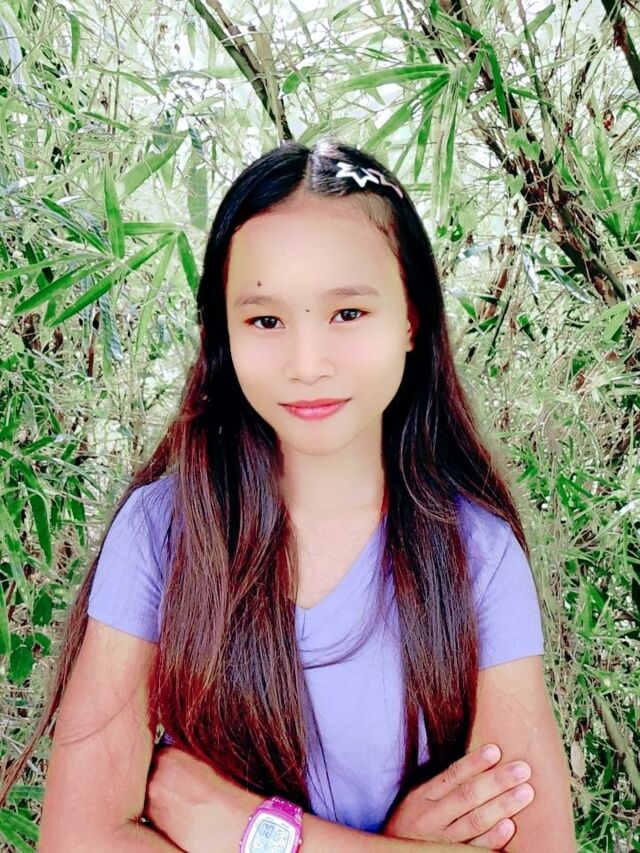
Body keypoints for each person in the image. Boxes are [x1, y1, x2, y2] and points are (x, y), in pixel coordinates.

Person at [1, 138, 577, 852]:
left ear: (411, 318)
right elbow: (78, 839)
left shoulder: (475, 555)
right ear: (223, 333)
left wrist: (240, 826)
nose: (308, 364)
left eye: (348, 313)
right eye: (266, 320)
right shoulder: (165, 532)